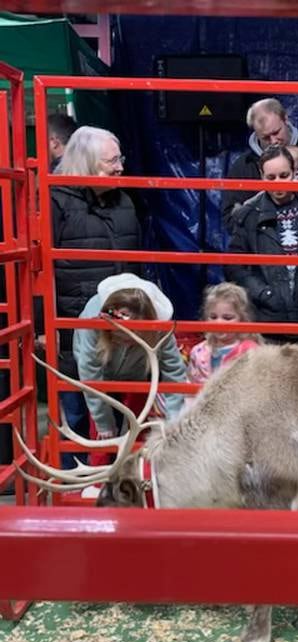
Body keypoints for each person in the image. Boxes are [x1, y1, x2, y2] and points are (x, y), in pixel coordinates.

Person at [49, 125, 143, 464]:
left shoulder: (126, 201)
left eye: (120, 159)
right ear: (88, 163)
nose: (120, 167)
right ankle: (73, 488)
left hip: (122, 329)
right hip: (74, 327)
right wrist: (45, 327)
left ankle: (116, 487)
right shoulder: (54, 201)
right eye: (111, 161)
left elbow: (137, 264)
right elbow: (39, 268)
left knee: (120, 411)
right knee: (76, 410)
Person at [227, 145, 298, 336]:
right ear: (261, 176)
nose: (278, 183)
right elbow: (235, 265)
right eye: (271, 178)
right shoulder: (248, 216)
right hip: (267, 320)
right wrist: (263, 293)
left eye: (283, 175)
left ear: (295, 172)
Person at [73, 274, 187, 465]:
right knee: (100, 430)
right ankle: (98, 476)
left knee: (139, 426)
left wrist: (173, 419)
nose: (126, 341)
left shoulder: (160, 325)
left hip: (139, 375)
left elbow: (173, 370)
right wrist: (103, 423)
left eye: (134, 337)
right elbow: (89, 372)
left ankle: (135, 473)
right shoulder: (93, 319)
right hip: (100, 374)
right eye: (120, 337)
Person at [222, 97, 298, 231]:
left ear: (286, 119)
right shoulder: (243, 167)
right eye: (265, 137)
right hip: (262, 249)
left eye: (276, 132)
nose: (273, 141)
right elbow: (231, 220)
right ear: (255, 134)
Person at [188, 282, 262, 387]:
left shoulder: (251, 351)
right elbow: (191, 386)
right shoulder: (198, 351)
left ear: (242, 318)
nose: (219, 323)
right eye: (213, 317)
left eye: (227, 318)